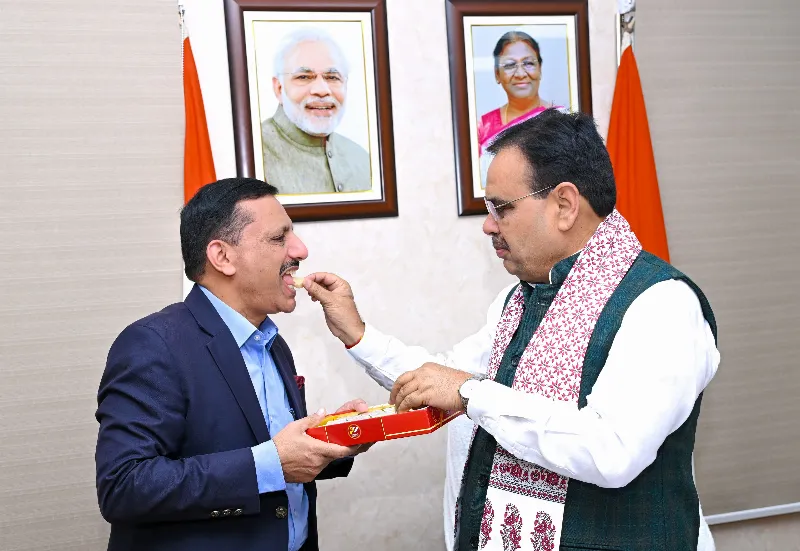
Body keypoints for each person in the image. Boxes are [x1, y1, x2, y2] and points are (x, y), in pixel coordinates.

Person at [301, 110, 719, 551]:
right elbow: (438, 379)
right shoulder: (521, 298)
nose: (487, 225)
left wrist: (471, 393)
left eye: (501, 207)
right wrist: (358, 334)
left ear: (564, 204)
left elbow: (611, 450)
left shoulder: (660, 304)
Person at [95, 177, 371, 551]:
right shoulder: (153, 344)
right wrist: (270, 464)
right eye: (279, 238)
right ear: (222, 257)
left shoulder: (273, 343)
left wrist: (334, 438)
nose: (300, 250)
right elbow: (124, 486)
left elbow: (276, 449)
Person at [261, 28, 371, 195]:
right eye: (304, 77)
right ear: (279, 88)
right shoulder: (256, 154)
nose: (321, 90)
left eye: (332, 77)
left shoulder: (362, 159)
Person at [477, 31, 562, 188]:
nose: (521, 74)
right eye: (510, 65)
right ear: (497, 74)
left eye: (528, 63)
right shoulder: (482, 128)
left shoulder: (563, 119)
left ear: (540, 68)